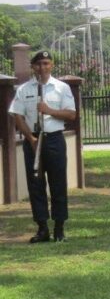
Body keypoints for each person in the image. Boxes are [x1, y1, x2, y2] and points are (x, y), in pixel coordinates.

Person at [9, 50, 76, 243]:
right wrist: (29, 137)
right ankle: (42, 228)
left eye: (46, 63)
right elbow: (17, 115)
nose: (42, 68)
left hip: (54, 139)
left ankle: (59, 228)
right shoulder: (24, 89)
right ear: (33, 67)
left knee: (58, 183)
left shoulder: (61, 88)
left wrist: (49, 111)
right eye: (38, 64)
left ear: (52, 65)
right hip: (33, 140)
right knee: (36, 185)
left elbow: (71, 115)